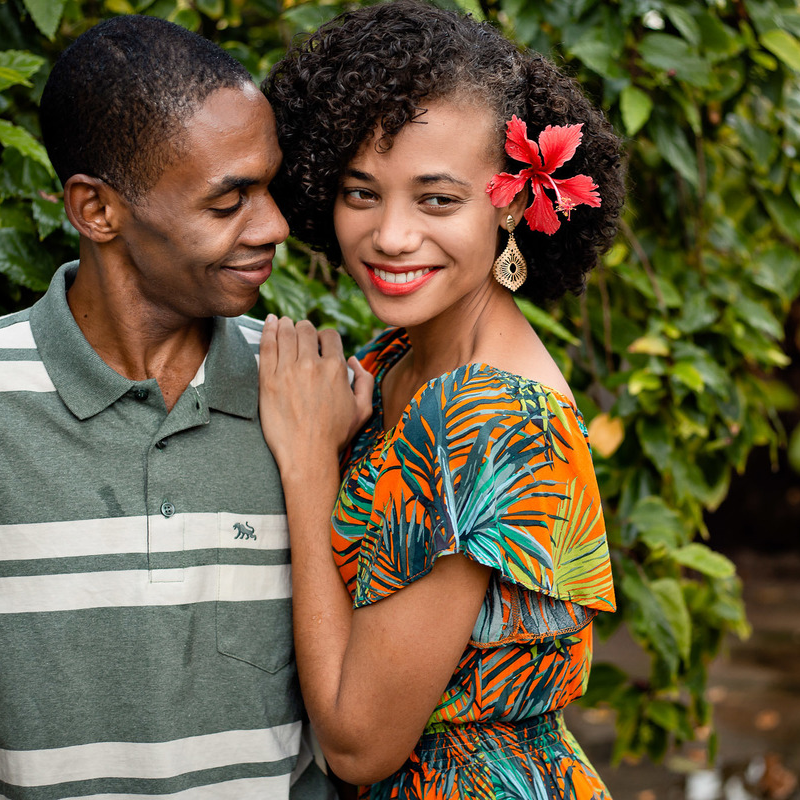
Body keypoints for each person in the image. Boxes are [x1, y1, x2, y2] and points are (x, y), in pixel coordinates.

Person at [0, 15, 336, 800]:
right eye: (228, 199)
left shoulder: (310, 391)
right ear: (97, 210)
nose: (272, 225)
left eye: (268, 185)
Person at [252, 3, 626, 797]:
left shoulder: (492, 422)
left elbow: (358, 745)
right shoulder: (399, 363)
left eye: (436, 200)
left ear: (514, 202)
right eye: (361, 193)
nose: (390, 236)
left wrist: (312, 464)